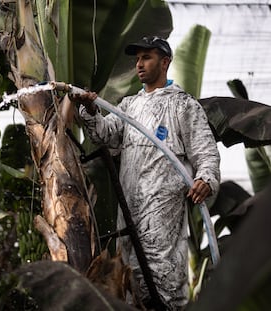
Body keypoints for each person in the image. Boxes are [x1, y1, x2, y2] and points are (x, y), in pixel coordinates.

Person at [72, 36, 221, 310]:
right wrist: (91, 109)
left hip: (162, 214)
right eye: (138, 58)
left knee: (162, 279)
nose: (139, 64)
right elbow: (104, 134)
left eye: (147, 58)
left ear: (165, 62)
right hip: (129, 212)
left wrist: (205, 179)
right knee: (130, 280)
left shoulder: (183, 106)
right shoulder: (130, 105)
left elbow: (206, 153)